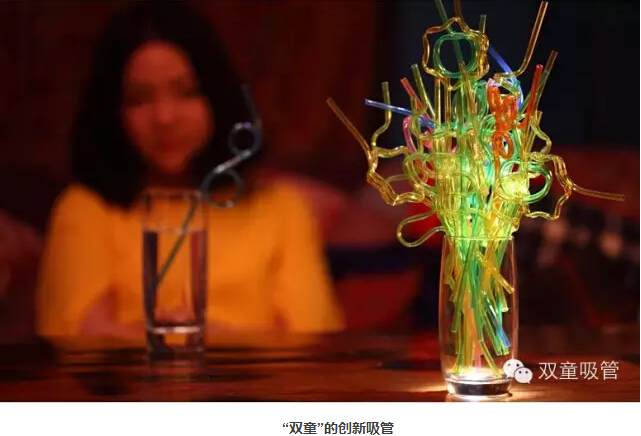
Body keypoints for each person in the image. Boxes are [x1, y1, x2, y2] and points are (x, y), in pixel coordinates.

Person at [35, 2, 344, 338]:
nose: (164, 117)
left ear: (217, 97)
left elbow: (314, 342)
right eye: (140, 98)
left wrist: (200, 340)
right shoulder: (86, 209)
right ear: (113, 111)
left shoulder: (281, 209)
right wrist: (221, 339)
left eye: (186, 92)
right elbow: (83, 341)